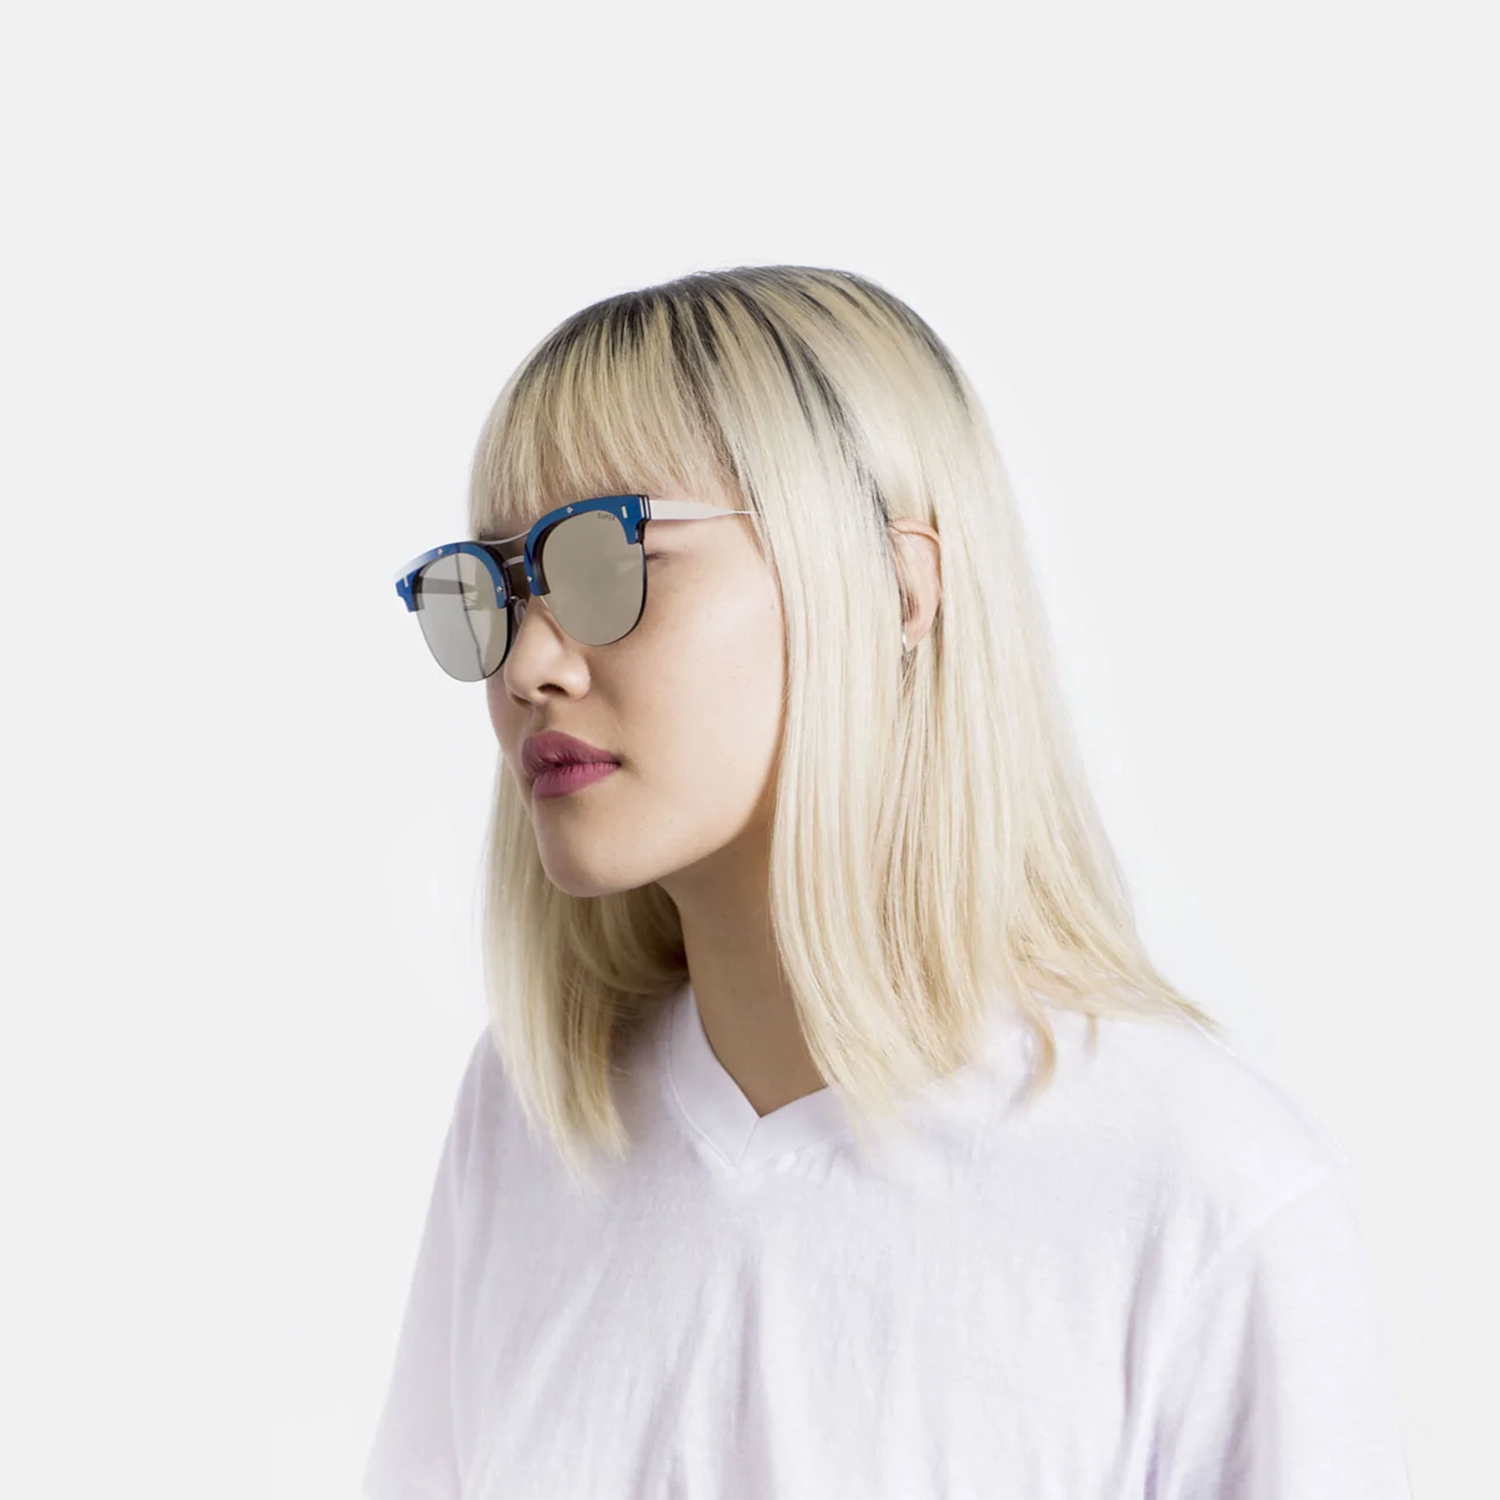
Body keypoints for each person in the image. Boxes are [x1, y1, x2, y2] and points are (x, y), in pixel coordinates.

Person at [365, 266, 1412, 1498]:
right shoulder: (532, 1123)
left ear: (897, 590)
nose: (528, 665)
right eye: (502, 586)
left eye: (609, 561)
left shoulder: (1198, 1188)